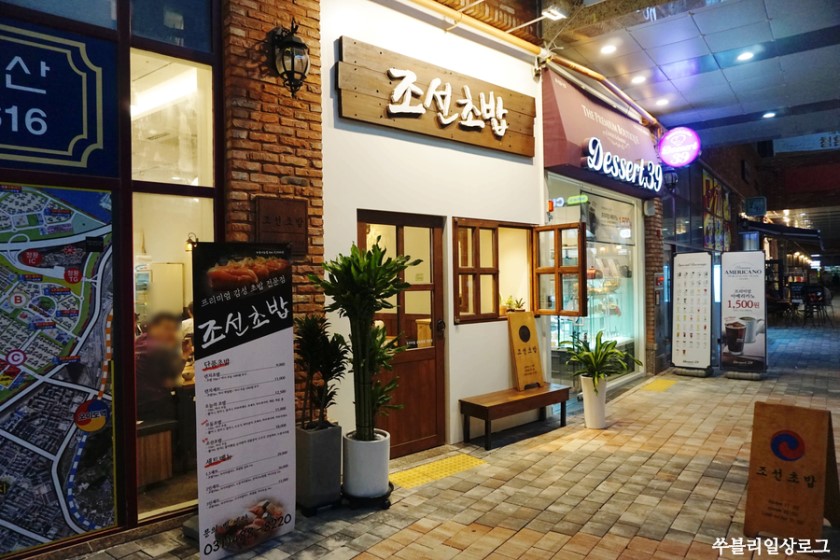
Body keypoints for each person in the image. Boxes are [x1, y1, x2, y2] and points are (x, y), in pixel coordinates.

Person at [136, 312, 188, 422]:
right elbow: (171, 382)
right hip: (154, 403)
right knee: (186, 410)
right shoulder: (160, 348)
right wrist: (185, 355)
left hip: (135, 401)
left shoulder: (139, 340)